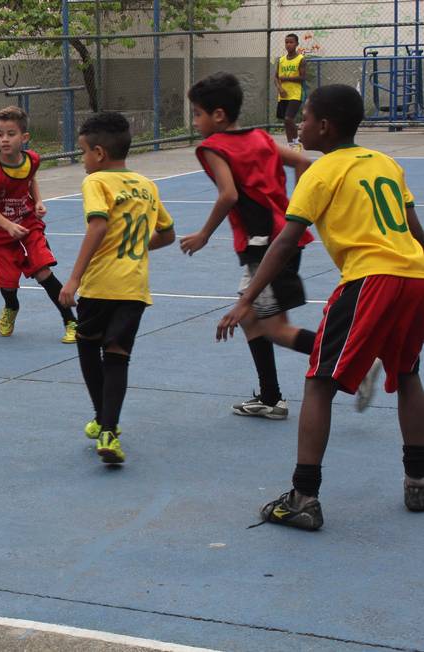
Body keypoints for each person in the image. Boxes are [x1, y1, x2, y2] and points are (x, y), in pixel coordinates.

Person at [217, 85, 424, 530]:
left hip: (371, 277)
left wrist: (247, 298)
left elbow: (286, 239)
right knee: (406, 373)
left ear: (324, 126)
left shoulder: (322, 170)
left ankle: (304, 496)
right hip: (414, 275)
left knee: (319, 382)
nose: (300, 126)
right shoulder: (386, 162)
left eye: (306, 118)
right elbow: (414, 229)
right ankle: (418, 480)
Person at [180, 72, 317, 419]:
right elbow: (303, 161)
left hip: (264, 246)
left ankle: (350, 357)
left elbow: (228, 194)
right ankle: (271, 398)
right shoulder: (258, 136)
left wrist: (204, 235)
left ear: (219, 115)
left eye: (197, 113)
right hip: (285, 236)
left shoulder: (212, 147)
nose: (195, 121)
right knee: (250, 319)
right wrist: (297, 210)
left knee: (274, 327)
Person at [60, 112, 175, 465]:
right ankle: (108, 430)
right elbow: (168, 234)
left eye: (82, 153)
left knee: (86, 344)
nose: (82, 161)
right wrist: (138, 247)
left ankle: (101, 417)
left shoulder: (96, 182)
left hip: (101, 283)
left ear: (98, 153)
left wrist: (74, 277)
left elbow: (97, 226)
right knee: (117, 354)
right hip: (135, 286)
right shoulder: (146, 185)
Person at [0, 105, 78, 343]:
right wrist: (8, 225)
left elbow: (31, 180)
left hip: (29, 226)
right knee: (8, 286)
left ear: (24, 137)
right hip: (0, 235)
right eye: (0, 134)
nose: (5, 139)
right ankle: (11, 307)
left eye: (11, 134)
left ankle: (70, 321)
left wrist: (38, 200)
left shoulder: (32, 161)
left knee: (44, 272)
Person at [275, 33, 307, 150]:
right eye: (286, 42)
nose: (288, 44)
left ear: (296, 44)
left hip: (295, 94)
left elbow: (302, 77)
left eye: (291, 42)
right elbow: (276, 77)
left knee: (289, 118)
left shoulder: (300, 59)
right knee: (286, 121)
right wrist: (280, 88)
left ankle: (296, 140)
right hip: (283, 94)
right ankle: (291, 145)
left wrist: (286, 78)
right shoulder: (281, 60)